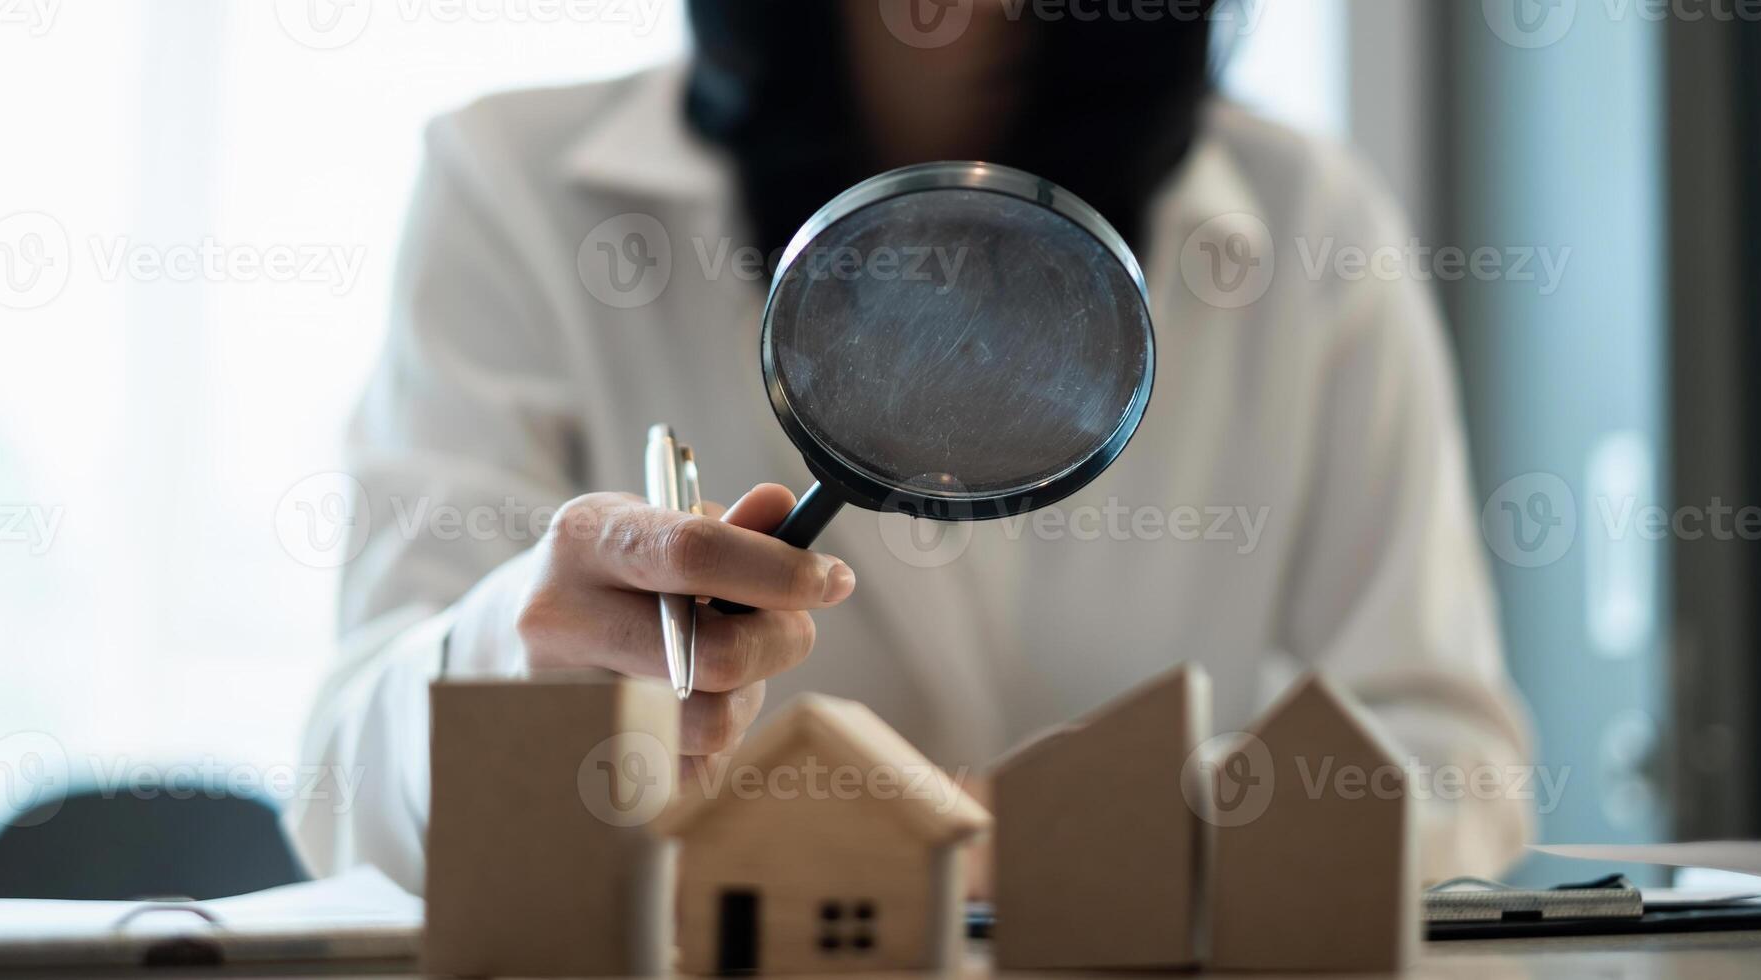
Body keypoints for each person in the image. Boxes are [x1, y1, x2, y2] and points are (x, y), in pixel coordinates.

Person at [290, 0, 1534, 894]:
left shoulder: (1315, 225)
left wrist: (1043, 837)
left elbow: (1450, 762)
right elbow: (347, 791)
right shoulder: (508, 184)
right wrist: (520, 662)